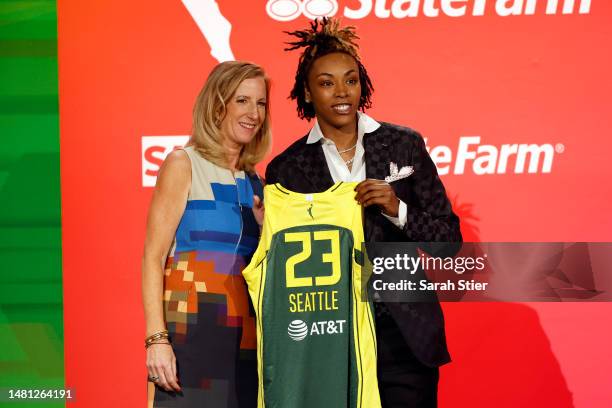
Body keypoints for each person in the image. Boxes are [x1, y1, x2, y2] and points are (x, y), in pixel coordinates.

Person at [265, 18, 462, 407]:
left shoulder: (403, 144)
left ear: (362, 85)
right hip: (329, 338)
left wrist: (397, 209)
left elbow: (448, 243)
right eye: (326, 82)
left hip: (402, 337)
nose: (342, 92)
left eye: (350, 80)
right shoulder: (286, 169)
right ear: (307, 92)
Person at [142, 61, 270, 407]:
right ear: (217, 105)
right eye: (242, 101)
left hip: (246, 350)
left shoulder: (256, 183)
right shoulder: (184, 164)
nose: (253, 113)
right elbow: (153, 258)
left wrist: (264, 231)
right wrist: (157, 340)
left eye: (260, 103)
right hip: (189, 345)